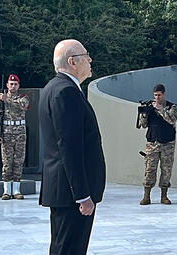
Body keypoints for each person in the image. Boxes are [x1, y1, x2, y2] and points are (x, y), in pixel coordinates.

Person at [39, 39, 106, 255]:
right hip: (71, 195)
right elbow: (70, 147)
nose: (90, 59)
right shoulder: (66, 92)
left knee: (63, 248)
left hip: (63, 190)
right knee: (70, 249)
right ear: (72, 62)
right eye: (86, 55)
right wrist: (82, 195)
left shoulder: (53, 88)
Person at [137, 84, 177, 205]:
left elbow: (172, 119)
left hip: (167, 144)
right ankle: (146, 196)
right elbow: (143, 125)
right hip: (152, 143)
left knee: (166, 170)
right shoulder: (150, 106)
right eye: (155, 95)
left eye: (159, 95)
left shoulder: (172, 107)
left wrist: (160, 109)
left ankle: (164, 196)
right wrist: (144, 113)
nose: (157, 97)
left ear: (164, 94)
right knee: (150, 169)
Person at [0, 74, 29, 200]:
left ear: (19, 86)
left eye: (15, 84)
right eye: (11, 84)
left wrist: (7, 99)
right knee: (7, 162)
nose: (13, 86)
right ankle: (7, 191)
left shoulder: (23, 98)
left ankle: (17, 190)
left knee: (19, 161)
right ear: (7, 85)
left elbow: (23, 106)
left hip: (20, 133)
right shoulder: (0, 100)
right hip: (6, 133)